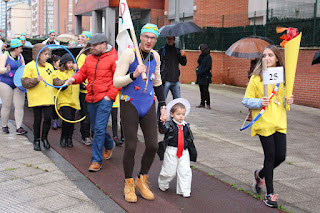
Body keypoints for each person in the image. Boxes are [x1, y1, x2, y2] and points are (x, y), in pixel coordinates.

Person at [113, 23, 167, 203]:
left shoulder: (155, 57)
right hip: (130, 103)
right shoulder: (129, 54)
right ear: (141, 37)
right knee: (130, 146)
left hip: (148, 103)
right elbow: (116, 82)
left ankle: (141, 180)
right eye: (146, 37)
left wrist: (164, 106)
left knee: (153, 145)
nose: (149, 41)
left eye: (153, 38)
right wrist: (134, 74)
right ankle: (128, 183)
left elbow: (157, 82)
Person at [242, 45, 294, 208]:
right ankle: (270, 194)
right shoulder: (256, 78)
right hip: (264, 123)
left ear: (277, 58)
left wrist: (289, 100)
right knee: (270, 157)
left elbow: (284, 100)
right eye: (264, 56)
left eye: (270, 55)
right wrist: (259, 101)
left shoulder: (283, 77)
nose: (267, 58)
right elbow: (246, 100)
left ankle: (260, 174)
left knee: (281, 157)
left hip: (279, 122)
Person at [65, 33, 120, 171]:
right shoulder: (89, 59)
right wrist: (73, 79)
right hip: (91, 98)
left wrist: (110, 96)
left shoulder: (114, 58)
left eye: (95, 45)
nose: (92, 48)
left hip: (105, 99)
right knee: (96, 128)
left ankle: (96, 160)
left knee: (98, 129)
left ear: (103, 44)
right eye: (91, 45)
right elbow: (82, 73)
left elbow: (118, 79)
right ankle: (109, 144)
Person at [157, 98, 197, 198]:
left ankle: (184, 190)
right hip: (172, 150)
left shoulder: (186, 126)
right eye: (178, 114)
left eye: (183, 114)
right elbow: (163, 130)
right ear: (172, 114)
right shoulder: (169, 125)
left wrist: (191, 149)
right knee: (169, 171)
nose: (181, 116)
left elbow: (190, 138)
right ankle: (163, 183)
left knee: (185, 171)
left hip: (184, 151)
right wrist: (161, 122)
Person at [21, 43, 54, 151]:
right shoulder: (30, 66)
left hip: (48, 98)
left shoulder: (49, 66)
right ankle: (36, 139)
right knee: (37, 120)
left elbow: (55, 79)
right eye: (45, 54)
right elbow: (24, 82)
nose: (47, 56)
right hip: (36, 98)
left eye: (48, 54)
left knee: (48, 118)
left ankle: (45, 138)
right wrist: (35, 80)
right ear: (38, 54)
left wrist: (65, 82)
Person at [0, 39, 27, 134]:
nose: (21, 50)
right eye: (20, 48)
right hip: (5, 82)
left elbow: (24, 67)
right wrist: (5, 70)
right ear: (15, 48)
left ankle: (19, 127)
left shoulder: (20, 56)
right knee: (6, 105)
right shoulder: (5, 56)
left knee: (19, 105)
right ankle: (4, 125)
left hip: (17, 83)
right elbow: (0, 69)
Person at [53, 53, 80, 148]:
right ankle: (63, 137)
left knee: (72, 120)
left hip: (74, 100)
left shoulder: (75, 72)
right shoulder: (57, 73)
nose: (71, 65)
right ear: (64, 63)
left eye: (72, 63)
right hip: (64, 100)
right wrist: (66, 82)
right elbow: (57, 83)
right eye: (69, 63)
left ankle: (69, 138)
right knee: (67, 119)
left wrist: (78, 68)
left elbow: (83, 76)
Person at [76, 31, 92, 146]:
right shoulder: (82, 56)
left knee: (94, 115)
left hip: (96, 91)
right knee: (85, 114)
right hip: (85, 91)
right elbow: (82, 73)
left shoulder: (97, 57)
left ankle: (93, 134)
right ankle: (85, 135)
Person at [196, 43, 212, 109]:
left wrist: (202, 71)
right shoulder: (201, 56)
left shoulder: (208, 57)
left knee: (205, 90)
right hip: (200, 76)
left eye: (200, 49)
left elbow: (208, 67)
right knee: (201, 90)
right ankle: (202, 103)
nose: (199, 51)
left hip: (205, 76)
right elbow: (199, 62)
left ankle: (208, 103)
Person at [51, 55, 62, 130]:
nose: (60, 64)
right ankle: (54, 120)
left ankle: (57, 120)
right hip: (54, 92)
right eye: (59, 62)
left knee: (58, 107)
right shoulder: (52, 70)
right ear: (54, 63)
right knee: (54, 108)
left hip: (60, 92)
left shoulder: (61, 70)